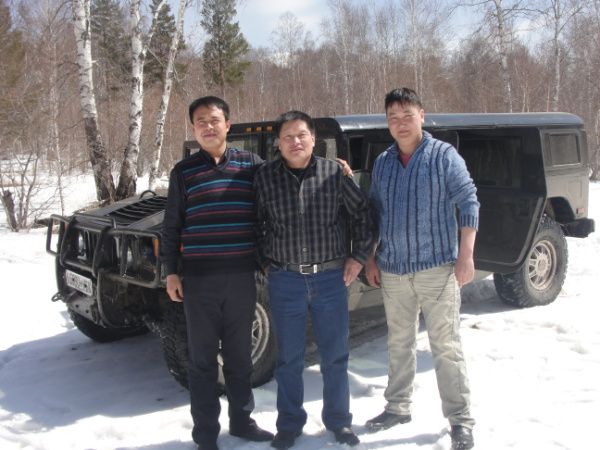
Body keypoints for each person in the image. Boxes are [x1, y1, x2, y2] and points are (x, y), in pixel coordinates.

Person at [365, 88, 479, 450]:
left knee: (446, 346)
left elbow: (469, 201)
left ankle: (460, 420)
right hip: (394, 270)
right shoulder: (383, 162)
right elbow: (374, 212)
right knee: (399, 342)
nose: (400, 123)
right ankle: (397, 407)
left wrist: (466, 255)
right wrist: (370, 256)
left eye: (407, 115)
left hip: (437, 270)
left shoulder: (444, 156)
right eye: (393, 117)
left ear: (422, 116)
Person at [254, 110, 375, 450]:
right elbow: (254, 224)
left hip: (330, 279)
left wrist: (358, 257)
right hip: (285, 280)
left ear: (313, 139)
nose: (295, 142)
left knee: (335, 356)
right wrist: (265, 263)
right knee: (288, 359)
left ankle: (339, 422)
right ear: (278, 143)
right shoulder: (264, 178)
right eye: (287, 137)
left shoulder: (334, 173)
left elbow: (364, 215)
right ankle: (289, 425)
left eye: (301, 135)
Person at [160, 96, 273, 450]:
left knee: (240, 358)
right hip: (199, 281)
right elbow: (171, 226)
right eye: (201, 121)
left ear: (228, 124)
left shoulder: (252, 165)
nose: (208, 127)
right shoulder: (183, 172)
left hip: (241, 278)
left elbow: (279, 191)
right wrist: (170, 272)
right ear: (193, 128)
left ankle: (242, 422)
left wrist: (334, 169)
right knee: (202, 362)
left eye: (214, 120)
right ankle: (206, 434)